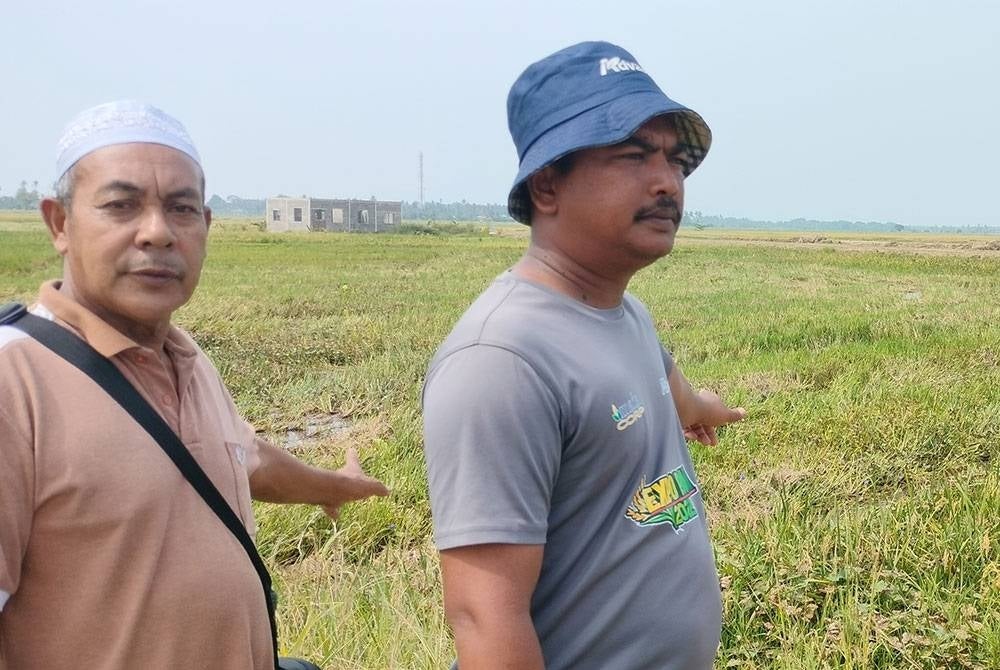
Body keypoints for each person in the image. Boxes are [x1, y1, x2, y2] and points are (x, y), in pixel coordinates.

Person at [0, 100, 389, 670]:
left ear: (206, 227)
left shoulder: (187, 357)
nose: (157, 232)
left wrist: (328, 486)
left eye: (181, 209)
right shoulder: (16, 383)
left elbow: (241, 457)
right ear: (60, 223)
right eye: (121, 205)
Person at [422, 41, 747, 669]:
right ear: (547, 185)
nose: (667, 183)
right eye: (633, 156)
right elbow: (485, 616)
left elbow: (656, 373)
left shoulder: (624, 312)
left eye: (676, 161)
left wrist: (698, 405)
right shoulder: (500, 361)